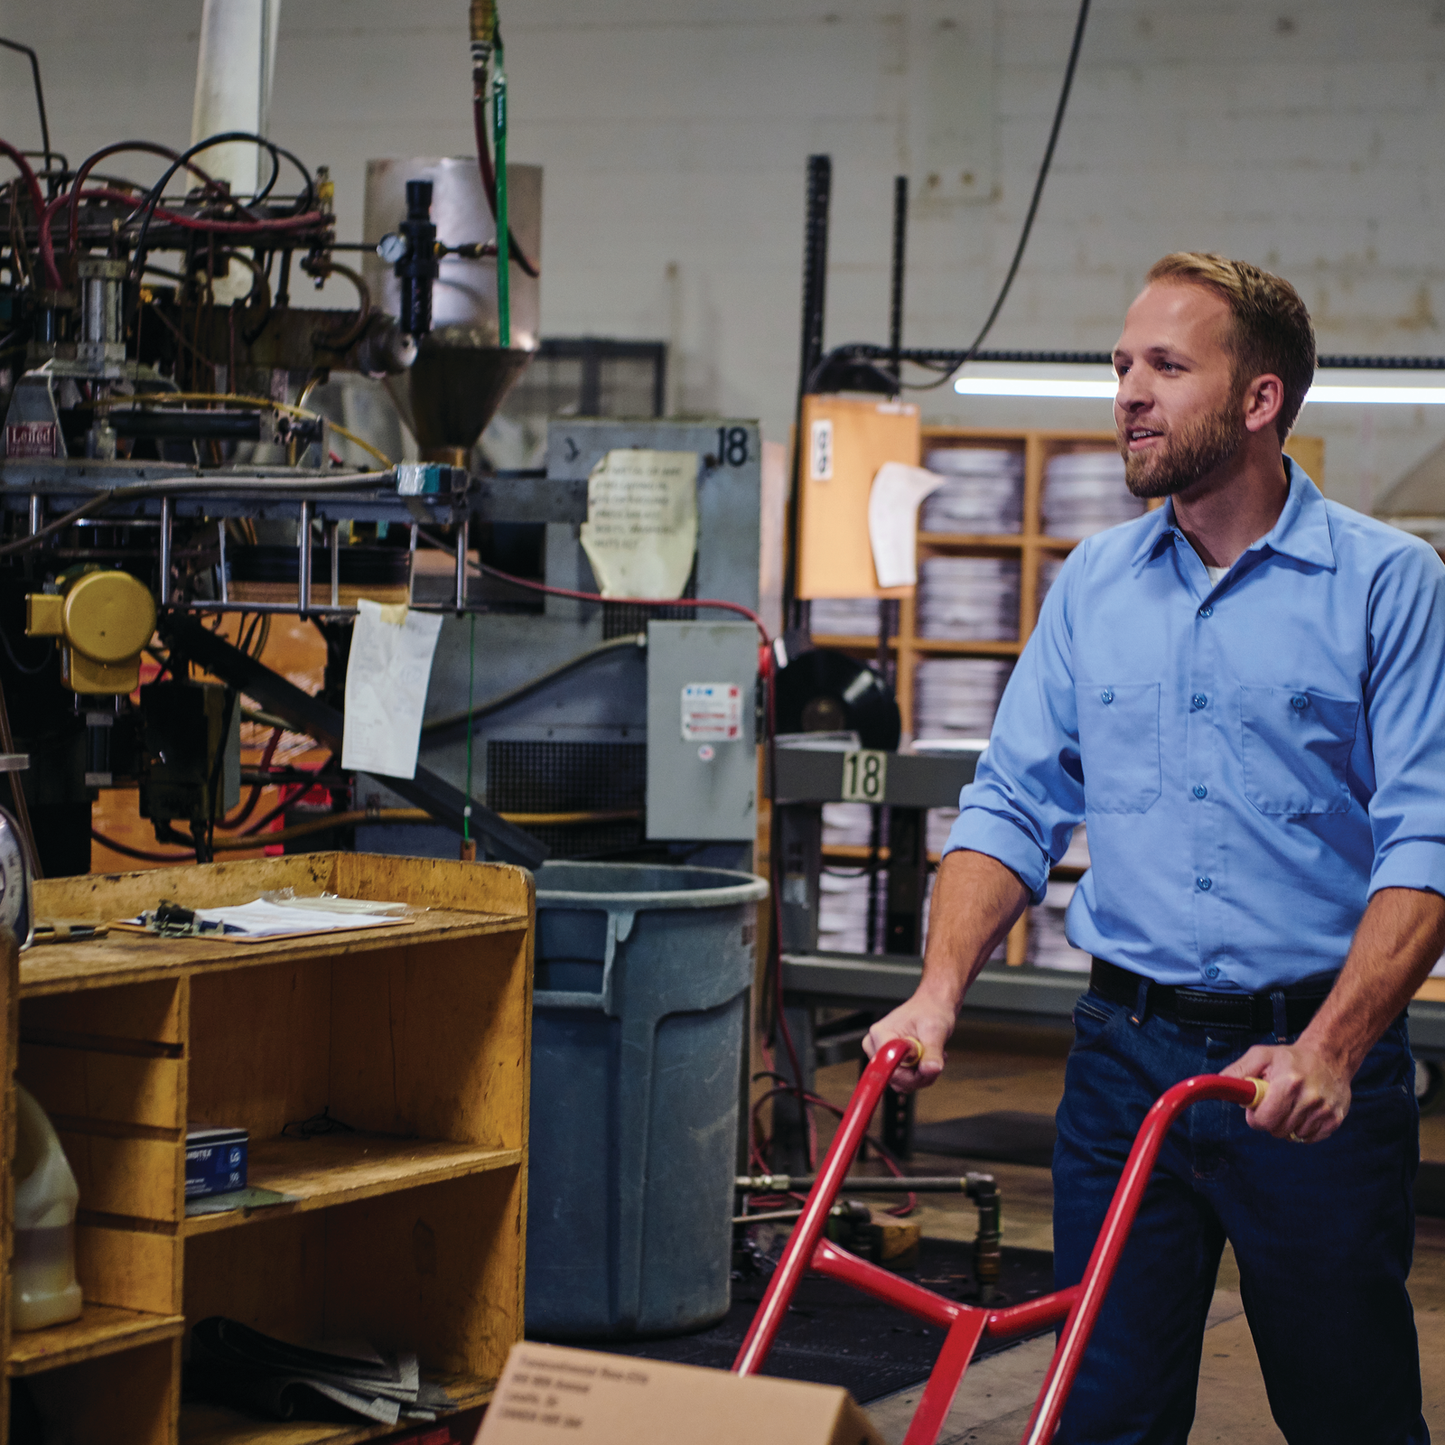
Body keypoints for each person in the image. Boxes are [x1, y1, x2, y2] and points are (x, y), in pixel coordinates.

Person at [864, 252, 1445, 1445]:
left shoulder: (1387, 585)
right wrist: (934, 994)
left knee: (1350, 1410)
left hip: (1306, 1074)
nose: (1126, 391)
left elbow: (1426, 835)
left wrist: (1333, 1047)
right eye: (1120, 363)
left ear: (1258, 398)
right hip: (1122, 1063)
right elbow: (1010, 802)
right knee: (1102, 1411)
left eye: (1165, 366)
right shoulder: (1093, 583)